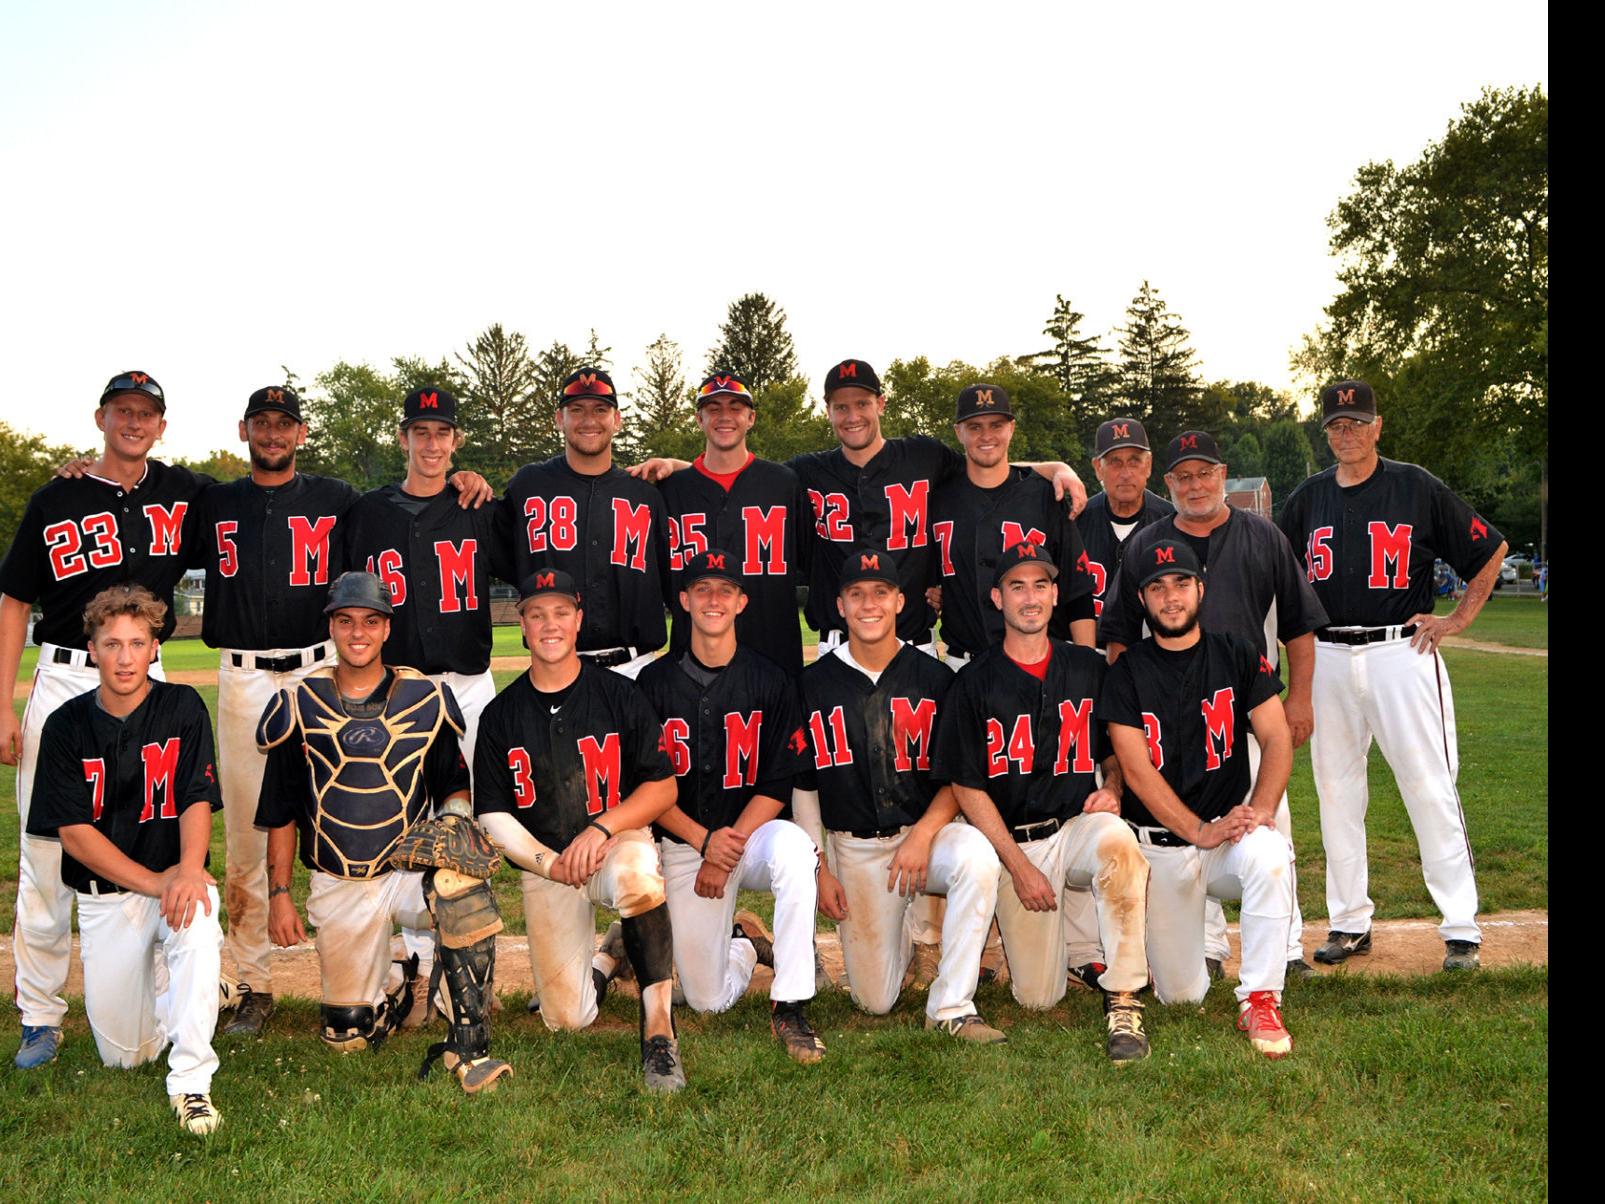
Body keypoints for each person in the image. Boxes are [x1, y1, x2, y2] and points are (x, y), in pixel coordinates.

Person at [1, 370, 211, 1069]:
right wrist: (2, 700)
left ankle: (165, 973)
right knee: (46, 856)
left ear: (161, 424)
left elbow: (256, 508)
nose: (134, 421)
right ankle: (39, 1012)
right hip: (63, 673)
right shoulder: (56, 497)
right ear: (100, 417)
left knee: (158, 826)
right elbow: (12, 599)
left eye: (146, 413)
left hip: (145, 674)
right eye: (122, 410)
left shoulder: (183, 492)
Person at [1279, 380, 1507, 972]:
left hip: (1399, 651)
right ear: (1324, 432)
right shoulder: (1306, 498)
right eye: (1336, 425)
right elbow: (1274, 576)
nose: (1346, 433)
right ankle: (1350, 923)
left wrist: (1457, 619)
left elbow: (1490, 550)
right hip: (1326, 656)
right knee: (1335, 793)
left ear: (1377, 426)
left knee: (1430, 786)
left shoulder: (1415, 486)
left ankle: (1461, 927)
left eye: (1357, 422)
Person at [256, 572, 511, 1093]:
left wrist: (454, 826)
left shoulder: (424, 697)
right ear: (331, 625)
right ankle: (400, 982)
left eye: (370, 621)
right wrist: (279, 894)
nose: (358, 633)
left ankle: (470, 1041)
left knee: (460, 889)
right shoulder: (298, 703)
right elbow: (279, 811)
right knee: (348, 1037)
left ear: (386, 629)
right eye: (346, 621)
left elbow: (453, 786)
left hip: (407, 871)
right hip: (339, 876)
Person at [1100, 429, 1325, 980]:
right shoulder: (1145, 544)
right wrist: (1130, 708)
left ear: (1223, 475)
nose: (1195, 484)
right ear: (1168, 483)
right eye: (1183, 476)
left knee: (1268, 825)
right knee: (1188, 824)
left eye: (1205, 473)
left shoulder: (1263, 536)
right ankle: (1206, 947)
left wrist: (1299, 697)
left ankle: (1286, 946)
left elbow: (1298, 624)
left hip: (1247, 703)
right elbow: (1121, 636)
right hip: (1172, 716)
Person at [932, 540, 1152, 1063]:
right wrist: (1018, 867)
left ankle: (1123, 997)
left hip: (1074, 827)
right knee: (1037, 998)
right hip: (1014, 845)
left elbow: (1115, 749)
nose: (1029, 597)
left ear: (1055, 595)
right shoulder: (973, 681)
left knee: (1119, 843)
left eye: (1040, 585)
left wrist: (1114, 787)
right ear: (996, 598)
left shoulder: (1087, 667)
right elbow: (967, 785)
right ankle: (1076, 948)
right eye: (1016, 586)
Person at [471, 569, 687, 1092]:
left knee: (638, 875)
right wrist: (549, 861)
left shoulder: (618, 694)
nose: (550, 625)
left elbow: (663, 789)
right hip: (546, 867)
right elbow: (492, 814)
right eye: (537, 614)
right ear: (520, 624)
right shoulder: (500, 715)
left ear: (578, 619)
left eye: (561, 612)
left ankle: (659, 1030)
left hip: (613, 845)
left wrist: (602, 827)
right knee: (566, 1018)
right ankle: (610, 956)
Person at [24, 585, 226, 1131]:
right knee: (125, 1054)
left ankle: (191, 1081)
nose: (125, 656)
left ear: (155, 647)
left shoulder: (182, 706)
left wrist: (186, 871)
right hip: (108, 898)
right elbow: (74, 836)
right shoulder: (65, 726)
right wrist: (158, 883)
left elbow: (196, 800)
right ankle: (187, 986)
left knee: (200, 907)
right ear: (92, 649)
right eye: (112, 644)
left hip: (172, 889)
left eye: (137, 643)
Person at [790, 548, 1006, 1043]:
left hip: (926, 837)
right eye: (857, 595)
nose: (870, 605)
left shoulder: (936, 679)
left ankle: (952, 1004)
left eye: (881, 593)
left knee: (976, 856)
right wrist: (819, 870)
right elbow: (804, 789)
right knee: (875, 1001)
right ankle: (909, 939)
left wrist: (925, 833)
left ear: (900, 601)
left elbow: (960, 778)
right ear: (839, 606)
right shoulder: (812, 685)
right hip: (857, 847)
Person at [338, 385, 504, 1024]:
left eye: (442, 433)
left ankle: (468, 968)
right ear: (403, 438)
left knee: (472, 824)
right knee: (402, 821)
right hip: (398, 690)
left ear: (455, 442)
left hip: (465, 683)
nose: (431, 444)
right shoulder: (368, 512)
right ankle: (412, 962)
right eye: (420, 432)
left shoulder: (477, 505)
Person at [1099, 539, 1297, 1057]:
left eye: (1181, 584)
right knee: (1183, 996)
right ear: (1142, 600)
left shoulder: (1235, 651)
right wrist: (1197, 831)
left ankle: (1260, 996)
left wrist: (1262, 809)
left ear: (1200, 590)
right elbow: (1136, 771)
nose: (1171, 597)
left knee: (1272, 856)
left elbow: (1276, 737)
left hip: (1226, 836)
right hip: (1163, 846)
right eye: (1157, 587)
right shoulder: (1125, 671)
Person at [637, 550, 823, 1063]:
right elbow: (646, 789)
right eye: (702, 589)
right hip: (685, 843)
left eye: (724, 590)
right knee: (707, 1000)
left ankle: (791, 1002)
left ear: (741, 602)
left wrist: (725, 850)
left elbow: (778, 783)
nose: (713, 599)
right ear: (683, 601)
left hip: (754, 835)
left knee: (795, 850)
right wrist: (704, 844)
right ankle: (744, 944)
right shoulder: (653, 686)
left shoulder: (771, 679)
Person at [501, 367, 669, 679]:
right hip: (555, 666)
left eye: (600, 410)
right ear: (559, 419)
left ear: (616, 420)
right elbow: (496, 552)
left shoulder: (646, 494)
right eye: (576, 410)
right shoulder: (528, 486)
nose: (589, 420)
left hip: (637, 669)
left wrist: (678, 465)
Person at [928, 383, 1095, 668]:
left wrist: (1087, 667)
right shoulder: (938, 496)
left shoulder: (1044, 494)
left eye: (996, 425)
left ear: (1011, 428)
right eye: (975, 427)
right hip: (962, 665)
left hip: (1039, 663)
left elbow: (1077, 592)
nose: (986, 436)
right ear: (958, 432)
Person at [657, 372, 813, 675]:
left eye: (735, 408)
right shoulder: (670, 490)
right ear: (699, 419)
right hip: (690, 668)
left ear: (751, 418)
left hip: (775, 662)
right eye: (714, 408)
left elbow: (814, 561)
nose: (724, 416)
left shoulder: (783, 484)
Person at [1075, 417, 1175, 626]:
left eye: (1134, 461)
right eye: (1115, 462)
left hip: (1153, 651)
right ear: (1098, 468)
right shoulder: (1076, 521)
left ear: (1148, 466)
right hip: (1091, 649)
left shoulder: (1172, 522)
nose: (1126, 473)